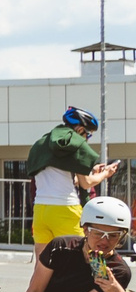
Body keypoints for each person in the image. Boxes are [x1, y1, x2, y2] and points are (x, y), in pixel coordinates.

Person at [24, 106, 119, 249]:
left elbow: (59, 174)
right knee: (81, 256)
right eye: (88, 134)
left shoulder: (42, 143)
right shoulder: (73, 144)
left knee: (43, 263)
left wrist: (91, 169)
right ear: (80, 129)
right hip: (65, 208)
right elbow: (86, 183)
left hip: (40, 210)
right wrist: (106, 174)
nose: (87, 139)